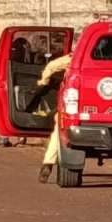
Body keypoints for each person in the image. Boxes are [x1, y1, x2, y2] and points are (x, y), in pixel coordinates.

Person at [36, 50, 73, 183]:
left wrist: (43, 82)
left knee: (59, 129)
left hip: (78, 103)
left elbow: (52, 66)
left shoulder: (78, 56)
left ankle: (48, 163)